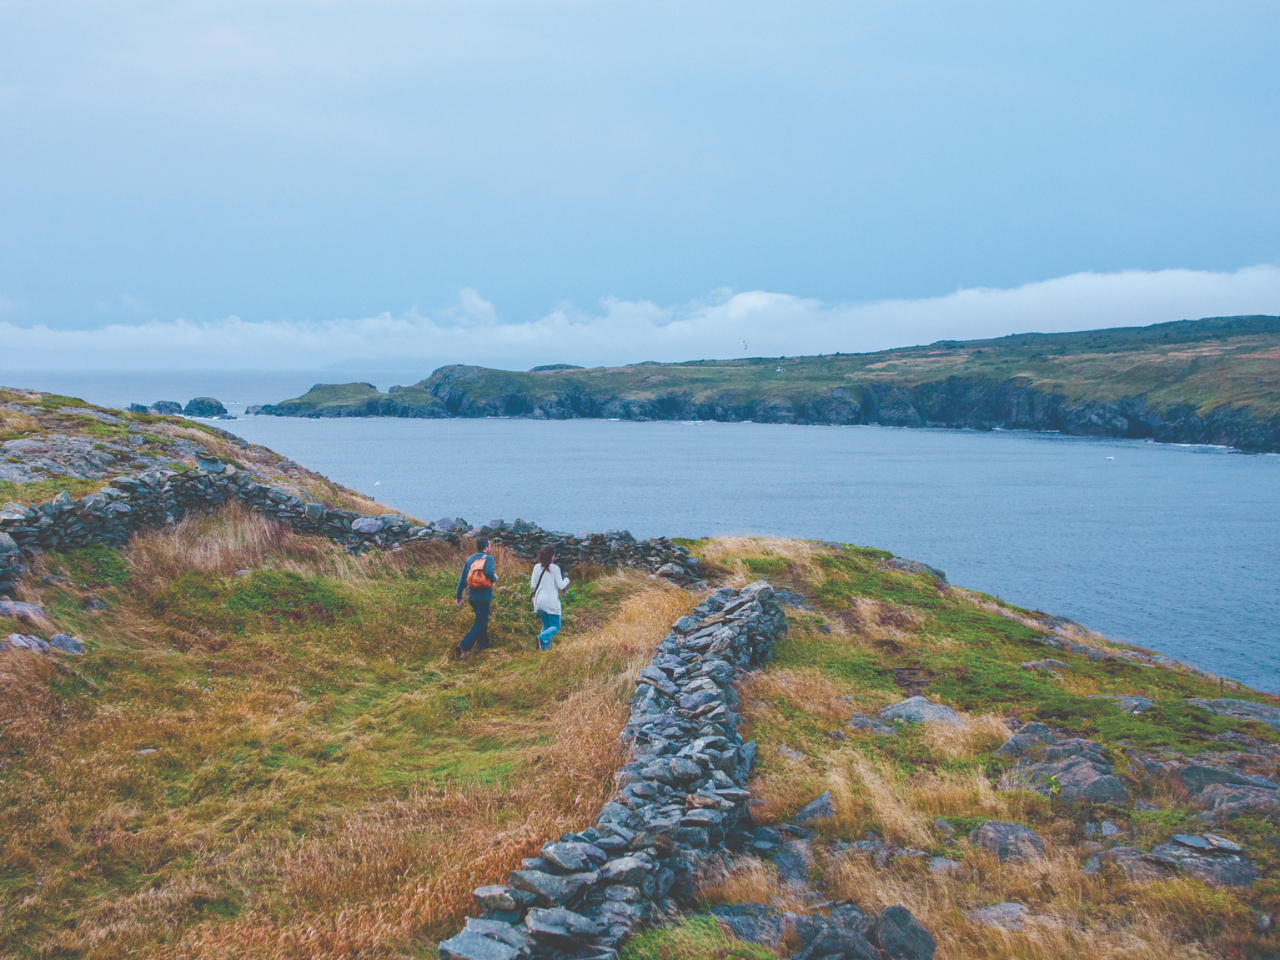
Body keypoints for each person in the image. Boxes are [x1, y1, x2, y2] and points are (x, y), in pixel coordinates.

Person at [454, 537, 497, 659]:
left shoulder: (470, 559)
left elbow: (462, 579)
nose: (490, 547)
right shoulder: (489, 558)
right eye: (490, 545)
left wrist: (459, 596)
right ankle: (463, 646)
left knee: (481, 620)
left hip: (471, 595)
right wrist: (495, 578)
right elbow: (489, 572)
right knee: (481, 622)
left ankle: (484, 645)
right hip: (483, 595)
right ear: (486, 547)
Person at [529, 545, 570, 651]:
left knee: (546, 625)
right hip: (551, 602)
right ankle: (541, 637)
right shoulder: (555, 569)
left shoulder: (537, 567)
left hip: (540, 601)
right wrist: (567, 580)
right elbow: (561, 585)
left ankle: (545, 652)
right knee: (556, 626)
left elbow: (533, 585)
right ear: (552, 556)